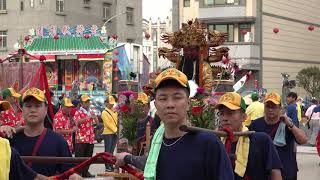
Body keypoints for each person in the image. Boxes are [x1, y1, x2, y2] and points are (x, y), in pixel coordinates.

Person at [117, 68, 234, 179]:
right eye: (163, 98)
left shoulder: (208, 143)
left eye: (177, 97)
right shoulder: (157, 143)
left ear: (188, 103)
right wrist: (127, 158)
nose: (170, 104)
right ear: (156, 104)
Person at [9, 88, 81, 178]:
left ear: (46, 109)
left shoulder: (58, 141)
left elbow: (69, 171)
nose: (32, 110)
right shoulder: (10, 140)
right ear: (22, 109)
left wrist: (74, 176)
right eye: (28, 106)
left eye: (37, 106)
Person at [217, 92, 282, 180]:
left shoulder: (261, 140)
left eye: (230, 113)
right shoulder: (216, 142)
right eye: (221, 113)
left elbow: (275, 172)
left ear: (244, 117)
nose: (224, 118)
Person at [249, 92, 308, 180]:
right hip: (263, 172)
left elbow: (303, 140)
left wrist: (290, 125)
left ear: (280, 108)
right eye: (268, 106)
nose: (270, 109)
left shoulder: (287, 123)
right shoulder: (255, 125)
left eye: (274, 107)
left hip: (287, 171)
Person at [73, 94, 99, 177]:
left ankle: (85, 172)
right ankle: (78, 173)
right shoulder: (78, 112)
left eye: (88, 101)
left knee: (88, 157)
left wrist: (95, 118)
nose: (87, 103)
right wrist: (88, 117)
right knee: (80, 157)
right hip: (81, 139)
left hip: (90, 139)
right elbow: (77, 122)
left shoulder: (91, 112)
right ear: (81, 103)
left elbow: (97, 124)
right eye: (85, 102)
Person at [101, 95, 118, 172]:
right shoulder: (104, 112)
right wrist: (115, 130)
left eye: (112, 103)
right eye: (110, 103)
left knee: (111, 151)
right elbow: (107, 123)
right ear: (106, 103)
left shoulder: (114, 111)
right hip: (108, 133)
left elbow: (116, 121)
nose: (111, 104)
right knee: (107, 150)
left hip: (115, 133)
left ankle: (110, 165)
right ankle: (107, 166)